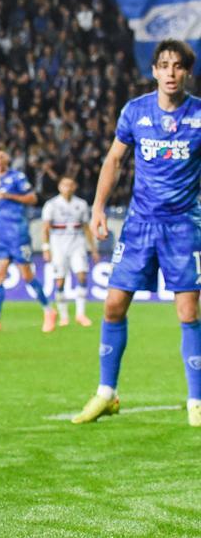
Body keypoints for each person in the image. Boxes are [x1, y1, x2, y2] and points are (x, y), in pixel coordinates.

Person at [73, 39, 201, 426]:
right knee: (113, 305)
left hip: (183, 227)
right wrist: (97, 207)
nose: (171, 72)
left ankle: (196, 400)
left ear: (187, 73)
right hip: (140, 224)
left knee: (188, 309)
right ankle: (106, 394)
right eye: (164, 65)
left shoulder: (199, 116)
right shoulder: (135, 111)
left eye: (178, 66)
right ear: (154, 71)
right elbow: (114, 159)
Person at [0, 148, 56, 332]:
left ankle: (48, 311)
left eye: (2, 156)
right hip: (0, 234)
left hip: (18, 232)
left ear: (7, 159)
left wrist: (10, 195)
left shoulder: (17, 177)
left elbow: (33, 198)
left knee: (27, 275)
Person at [41, 176, 98, 329]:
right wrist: (46, 248)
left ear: (75, 186)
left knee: (82, 275)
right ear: (59, 187)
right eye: (65, 184)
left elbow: (86, 227)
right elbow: (45, 227)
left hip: (77, 243)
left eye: (70, 184)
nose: (68, 187)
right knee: (60, 281)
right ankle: (64, 316)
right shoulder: (51, 204)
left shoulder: (81, 204)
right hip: (58, 244)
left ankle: (81, 314)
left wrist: (93, 249)